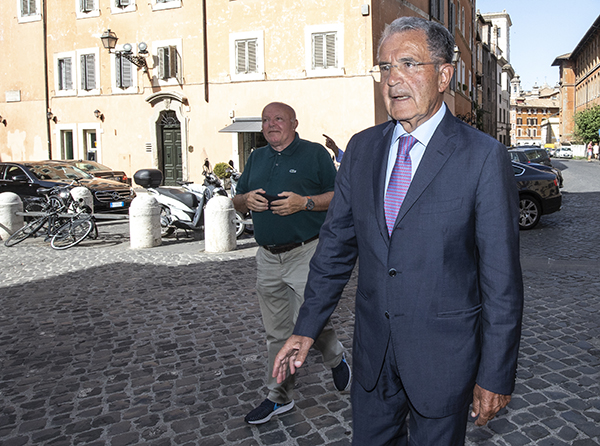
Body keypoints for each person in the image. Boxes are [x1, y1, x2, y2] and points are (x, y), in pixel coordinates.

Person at [273, 17, 524, 445]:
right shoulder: (361, 149)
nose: (393, 79)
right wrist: (306, 327)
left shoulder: (483, 157)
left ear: (444, 75)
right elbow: (334, 249)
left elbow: (501, 281)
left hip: (443, 359)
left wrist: (496, 374)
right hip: (373, 358)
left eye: (408, 63)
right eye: (385, 67)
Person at [233, 102, 351, 425]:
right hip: (267, 257)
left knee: (309, 320)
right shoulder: (256, 157)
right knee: (277, 332)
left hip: (306, 253)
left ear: (294, 123)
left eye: (278, 119)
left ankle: (336, 358)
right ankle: (279, 397)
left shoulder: (314, 154)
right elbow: (237, 200)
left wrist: (305, 203)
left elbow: (339, 196)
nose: (271, 125)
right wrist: (246, 200)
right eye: (265, 120)